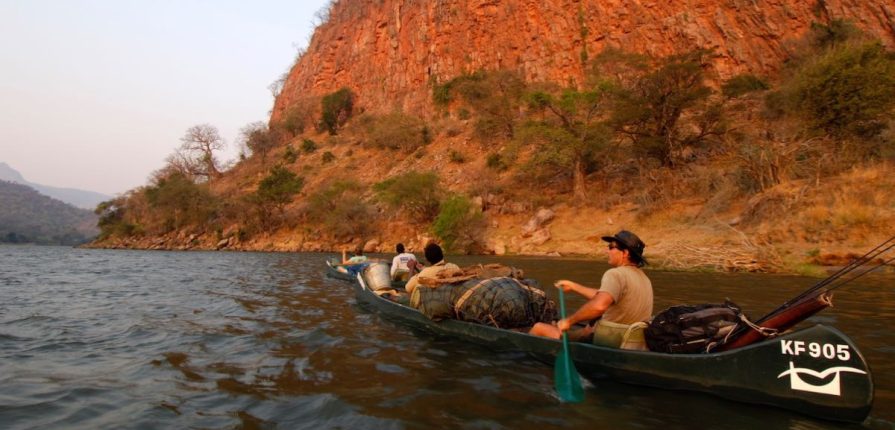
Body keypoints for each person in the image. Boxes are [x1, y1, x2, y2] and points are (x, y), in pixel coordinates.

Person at [529, 230, 653, 349]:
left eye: (611, 247)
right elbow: (605, 296)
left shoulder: (615, 274)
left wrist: (569, 321)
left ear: (625, 253)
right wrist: (574, 286)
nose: (607, 251)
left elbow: (599, 306)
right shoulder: (644, 278)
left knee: (539, 327)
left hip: (609, 340)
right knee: (584, 328)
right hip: (630, 341)